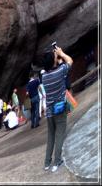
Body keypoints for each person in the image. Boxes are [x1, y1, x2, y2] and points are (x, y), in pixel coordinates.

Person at [42, 45, 73, 173]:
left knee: (51, 136)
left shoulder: (44, 77)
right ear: (53, 61)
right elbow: (70, 61)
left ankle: (47, 163)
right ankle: (57, 161)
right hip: (59, 110)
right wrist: (61, 53)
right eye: (54, 56)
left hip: (49, 112)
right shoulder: (60, 71)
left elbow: (55, 67)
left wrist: (56, 59)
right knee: (59, 134)